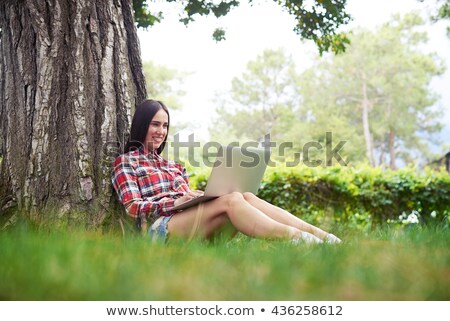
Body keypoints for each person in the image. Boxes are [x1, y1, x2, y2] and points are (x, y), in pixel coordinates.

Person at [112, 99, 341, 244]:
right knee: (231, 200)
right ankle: (298, 239)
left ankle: (323, 236)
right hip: (159, 229)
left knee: (246, 196)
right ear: (142, 124)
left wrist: (199, 196)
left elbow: (186, 199)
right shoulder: (127, 162)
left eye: (165, 126)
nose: (161, 131)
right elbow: (133, 208)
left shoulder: (174, 166)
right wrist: (173, 202)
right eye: (155, 124)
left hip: (191, 222)